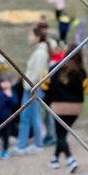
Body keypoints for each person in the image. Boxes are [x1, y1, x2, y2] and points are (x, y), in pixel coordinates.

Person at [45, 48, 88, 170]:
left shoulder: (55, 68)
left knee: (61, 135)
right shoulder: (81, 71)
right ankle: (54, 159)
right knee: (62, 133)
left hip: (58, 106)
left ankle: (70, 159)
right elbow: (87, 90)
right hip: (75, 108)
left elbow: (44, 86)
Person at [17, 25, 55, 154]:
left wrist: (28, 86)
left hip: (32, 89)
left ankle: (32, 145)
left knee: (31, 117)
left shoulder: (40, 53)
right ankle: (24, 144)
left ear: (37, 37)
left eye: (31, 35)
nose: (29, 37)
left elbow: (37, 73)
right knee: (29, 117)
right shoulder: (41, 51)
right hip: (32, 88)